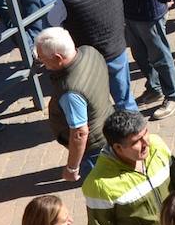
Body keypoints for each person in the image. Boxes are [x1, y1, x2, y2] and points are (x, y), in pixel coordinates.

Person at [59, 0, 137, 112]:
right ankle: (133, 129)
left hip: (90, 61)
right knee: (124, 98)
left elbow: (53, 22)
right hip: (116, 50)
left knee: (97, 104)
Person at [35, 27, 116, 182]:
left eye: (43, 59)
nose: (42, 64)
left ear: (58, 57)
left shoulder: (71, 92)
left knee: (100, 186)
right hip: (107, 122)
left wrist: (72, 168)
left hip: (94, 148)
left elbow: (79, 133)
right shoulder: (89, 51)